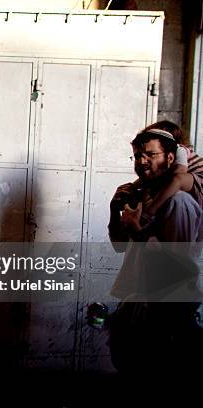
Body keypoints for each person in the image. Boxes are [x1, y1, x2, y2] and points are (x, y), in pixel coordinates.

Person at [106, 124, 203, 388]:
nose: (142, 161)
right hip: (135, 297)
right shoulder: (139, 194)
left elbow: (174, 265)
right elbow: (119, 245)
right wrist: (115, 211)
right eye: (138, 155)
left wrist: (140, 232)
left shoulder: (180, 200)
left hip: (165, 307)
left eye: (150, 154)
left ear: (171, 157)